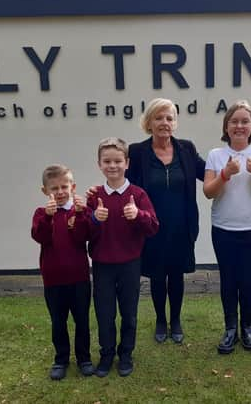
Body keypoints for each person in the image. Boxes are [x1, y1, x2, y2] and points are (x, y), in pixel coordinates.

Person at [126, 98, 205, 344]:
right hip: (151, 225)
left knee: (177, 274)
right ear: (148, 122)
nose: (164, 123)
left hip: (182, 224)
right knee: (158, 275)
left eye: (169, 118)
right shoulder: (137, 152)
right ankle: (161, 320)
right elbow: (122, 181)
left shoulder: (187, 149)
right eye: (158, 118)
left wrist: (237, 168)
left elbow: (208, 172)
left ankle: (176, 320)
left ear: (175, 122)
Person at [203, 101, 251, 354]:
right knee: (228, 280)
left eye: (245, 121)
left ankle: (247, 327)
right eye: (234, 121)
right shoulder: (216, 155)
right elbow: (208, 192)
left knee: (247, 280)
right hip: (223, 227)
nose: (239, 126)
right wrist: (225, 173)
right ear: (226, 126)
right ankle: (230, 328)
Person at [87, 137, 159, 377]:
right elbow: (82, 232)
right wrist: (95, 218)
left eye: (118, 161)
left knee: (129, 313)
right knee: (105, 313)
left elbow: (153, 227)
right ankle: (107, 354)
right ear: (99, 164)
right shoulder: (94, 196)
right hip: (102, 265)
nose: (113, 166)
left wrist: (138, 215)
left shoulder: (138, 195)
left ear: (127, 163)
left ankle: (126, 354)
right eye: (107, 161)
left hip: (129, 264)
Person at [30, 164, 95, 380]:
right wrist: (48, 218)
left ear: (72, 187)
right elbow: (40, 237)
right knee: (58, 322)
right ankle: (61, 360)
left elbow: (83, 237)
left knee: (82, 321)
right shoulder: (41, 214)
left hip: (79, 279)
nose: (59, 192)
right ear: (45, 191)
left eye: (64, 187)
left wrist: (80, 216)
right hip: (53, 280)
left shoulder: (80, 211)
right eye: (54, 188)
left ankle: (84, 358)